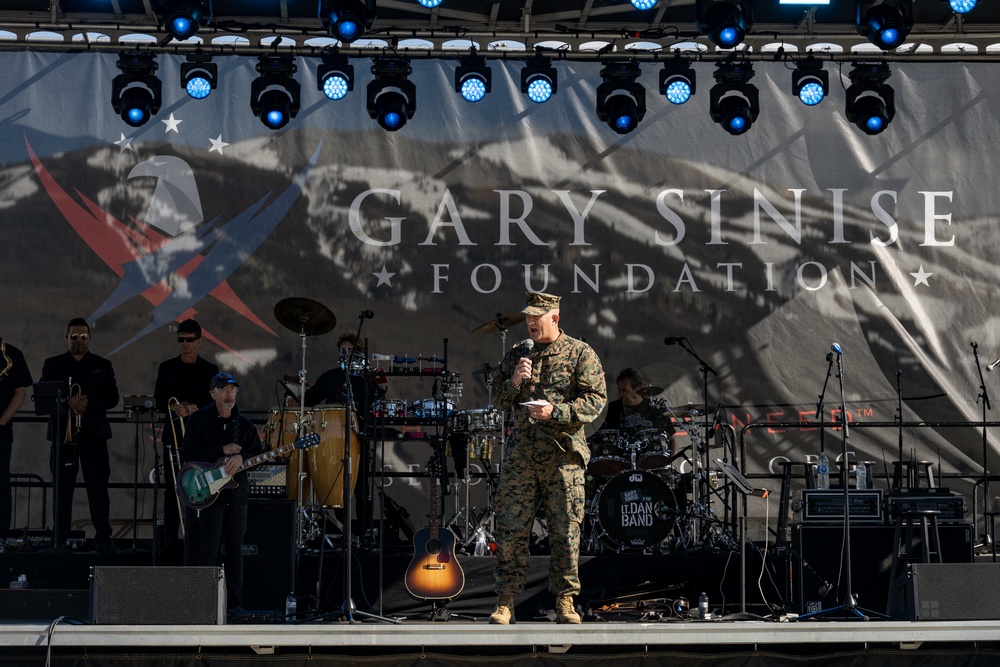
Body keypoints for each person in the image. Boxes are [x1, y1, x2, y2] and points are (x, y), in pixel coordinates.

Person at [488, 292, 607, 625]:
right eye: (527, 317)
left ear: (554, 318)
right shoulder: (517, 355)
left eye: (536, 318)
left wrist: (557, 411)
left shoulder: (580, 354)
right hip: (521, 459)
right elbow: (497, 398)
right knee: (511, 530)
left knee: (565, 532)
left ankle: (565, 601)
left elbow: (596, 401)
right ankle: (505, 601)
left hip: (562, 458)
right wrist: (513, 382)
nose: (530, 323)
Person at [181, 372, 263, 610]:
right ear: (212, 393)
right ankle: (205, 605)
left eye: (233, 390)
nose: (230, 394)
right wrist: (221, 450)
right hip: (209, 492)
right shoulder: (198, 420)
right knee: (209, 548)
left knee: (235, 550)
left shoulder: (245, 425)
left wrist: (241, 456)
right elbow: (188, 454)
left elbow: (257, 455)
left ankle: (235, 605)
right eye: (224, 389)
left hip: (237, 494)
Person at [39, 318, 120, 553]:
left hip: (93, 436)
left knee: (98, 489)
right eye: (74, 336)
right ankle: (59, 540)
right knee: (62, 489)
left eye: (83, 337)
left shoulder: (103, 365)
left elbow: (112, 397)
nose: (78, 341)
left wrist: (87, 402)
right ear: (66, 337)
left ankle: (103, 539)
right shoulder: (52, 364)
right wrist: (67, 401)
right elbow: (43, 396)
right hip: (64, 437)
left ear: (89, 339)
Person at [153, 319, 219, 555]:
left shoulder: (210, 370)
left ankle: (199, 536)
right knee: (172, 488)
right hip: (173, 435)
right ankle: (171, 539)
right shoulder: (167, 367)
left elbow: (215, 403)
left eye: (189, 340)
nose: (185, 344)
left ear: (199, 341)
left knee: (201, 487)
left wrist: (191, 409)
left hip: (200, 439)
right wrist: (174, 409)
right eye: (181, 339)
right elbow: (160, 400)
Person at [0, 336, 32, 553]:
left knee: (1, 481)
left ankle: (1, 535)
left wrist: (1, 421)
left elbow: (20, 393)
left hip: (0, 430)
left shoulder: (12, 354)